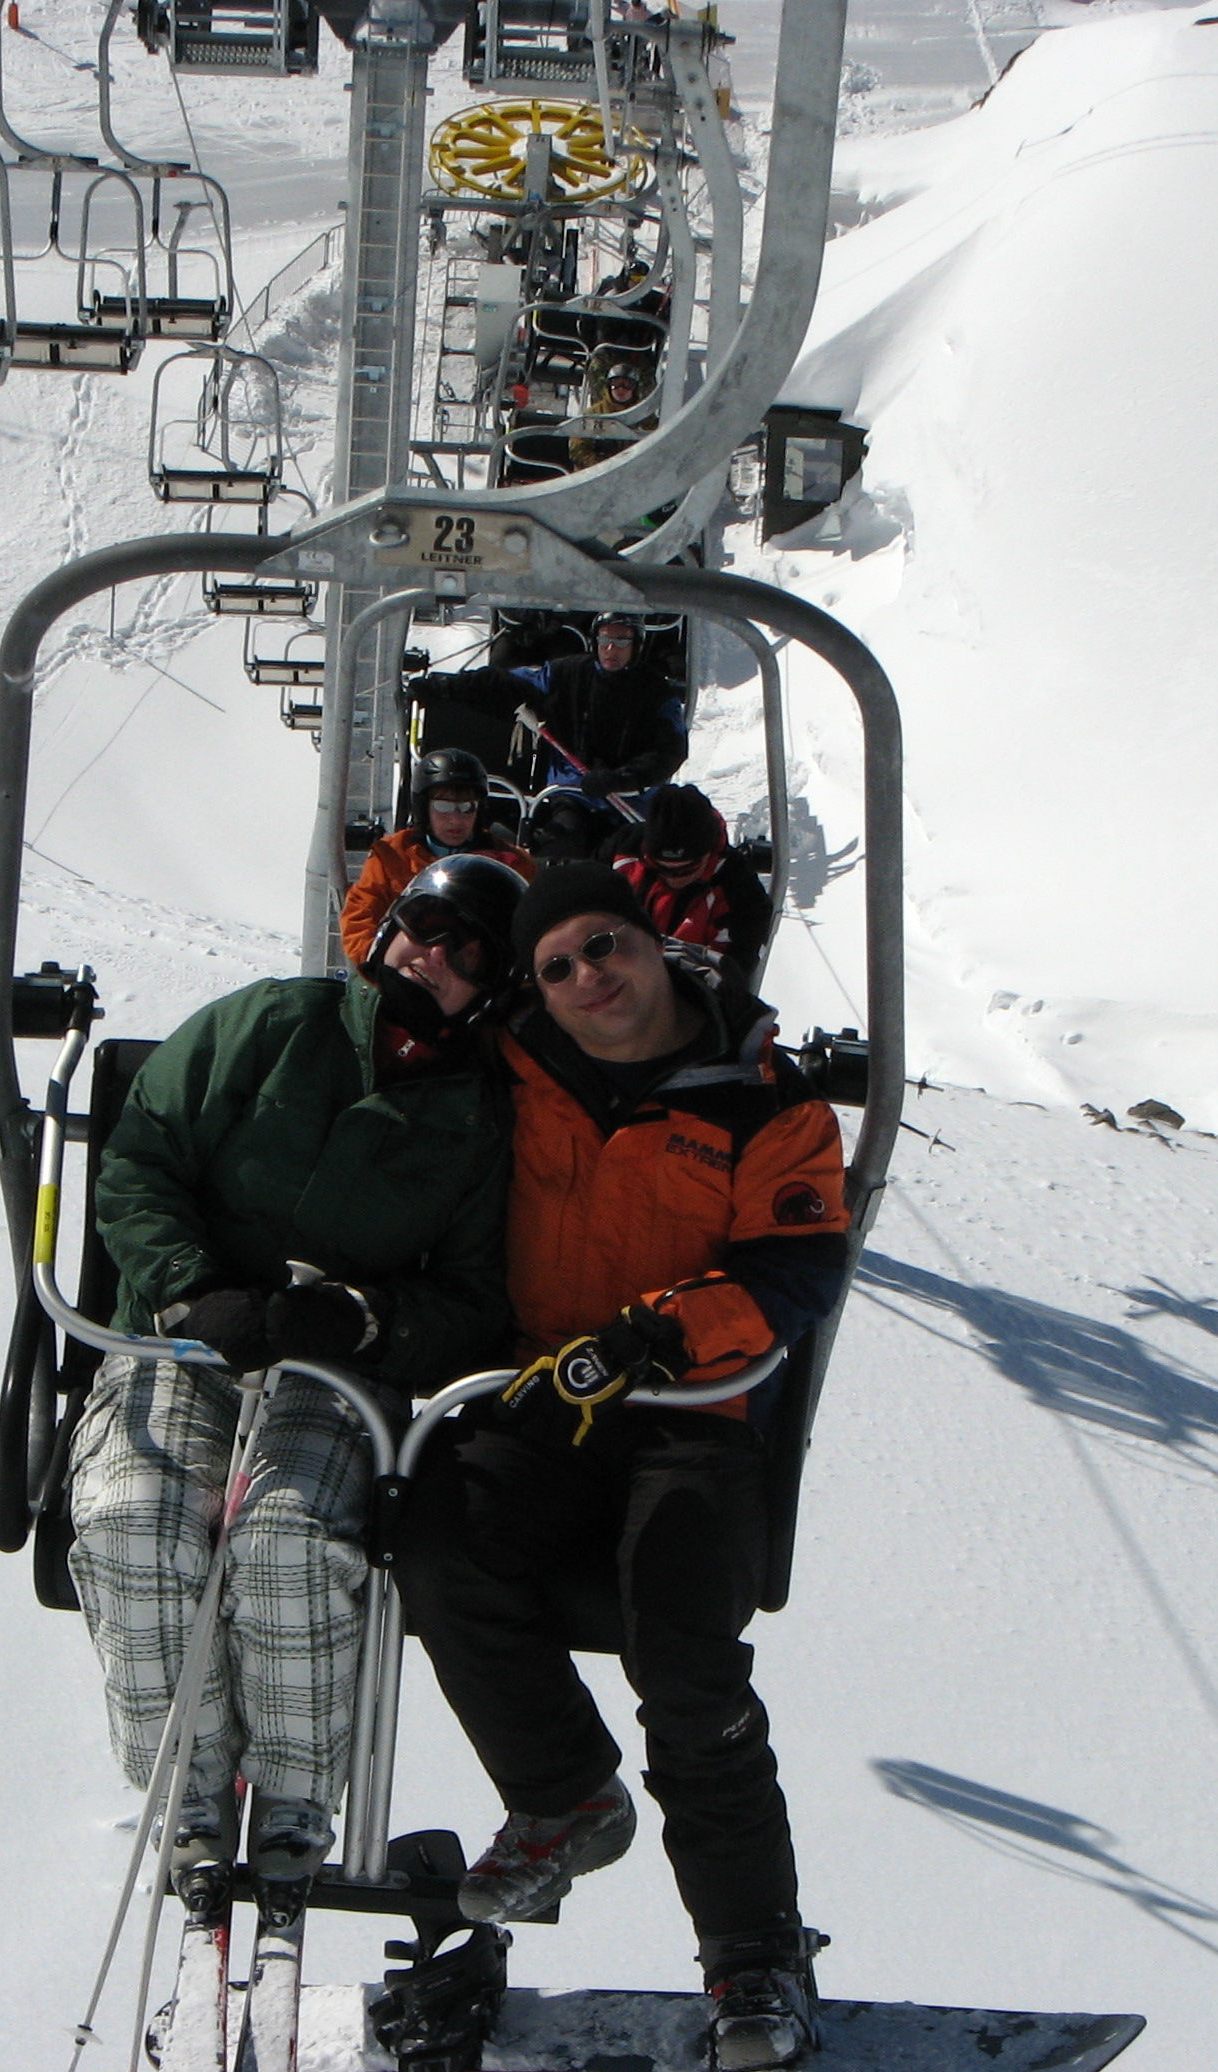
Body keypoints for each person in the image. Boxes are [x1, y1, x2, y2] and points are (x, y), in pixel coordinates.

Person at [397, 861, 850, 2071]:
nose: (587, 978)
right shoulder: (514, 1065)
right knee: (437, 1550)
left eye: (603, 946)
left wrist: (658, 1335)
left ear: (655, 945)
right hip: (542, 1394)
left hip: (688, 1408)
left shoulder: (763, 1099)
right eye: (556, 967)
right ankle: (562, 1793)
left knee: (684, 1652)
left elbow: (794, 1267)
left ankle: (752, 1953)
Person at [67, 854, 528, 1902]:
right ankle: (188, 1787)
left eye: (465, 954)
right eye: (422, 927)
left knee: (287, 1541)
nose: (432, 957)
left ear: (490, 988)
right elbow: (139, 1157)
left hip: (332, 1377)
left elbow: (473, 1300)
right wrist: (189, 1290)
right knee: (134, 1520)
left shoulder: (476, 1117)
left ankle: (292, 1797)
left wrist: (364, 1319)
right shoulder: (275, 1024)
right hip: (185, 1347)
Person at [406, 613, 688, 855]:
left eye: (622, 641)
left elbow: (670, 749)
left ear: (636, 646)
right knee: (560, 842)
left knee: (629, 853)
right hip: (573, 795)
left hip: (630, 802)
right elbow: (502, 683)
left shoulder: (656, 693)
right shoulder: (567, 674)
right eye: (605, 639)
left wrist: (625, 778)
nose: (611, 649)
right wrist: (441, 687)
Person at [341, 748, 535, 972]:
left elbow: (533, 929)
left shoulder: (511, 864)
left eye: (467, 807)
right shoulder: (392, 856)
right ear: (424, 807)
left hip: (476, 976)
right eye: (443, 807)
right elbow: (360, 917)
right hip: (408, 970)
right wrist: (382, 968)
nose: (455, 820)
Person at [614, 782, 775, 989]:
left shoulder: (737, 889)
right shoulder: (624, 854)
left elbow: (731, 971)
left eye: (687, 869)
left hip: (687, 990)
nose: (675, 879)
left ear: (708, 854)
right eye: (663, 869)